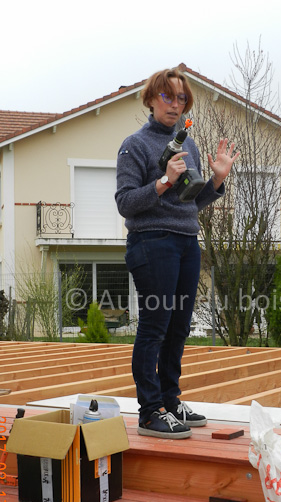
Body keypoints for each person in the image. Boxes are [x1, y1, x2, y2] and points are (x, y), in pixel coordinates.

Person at [115, 68, 239, 439]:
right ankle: (150, 411)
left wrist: (216, 179)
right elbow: (125, 202)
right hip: (152, 243)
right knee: (155, 325)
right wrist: (164, 179)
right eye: (167, 96)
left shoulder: (190, 145)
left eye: (181, 98)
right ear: (151, 99)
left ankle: (170, 400)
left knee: (179, 327)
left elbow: (192, 201)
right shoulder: (134, 146)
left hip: (187, 242)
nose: (174, 104)